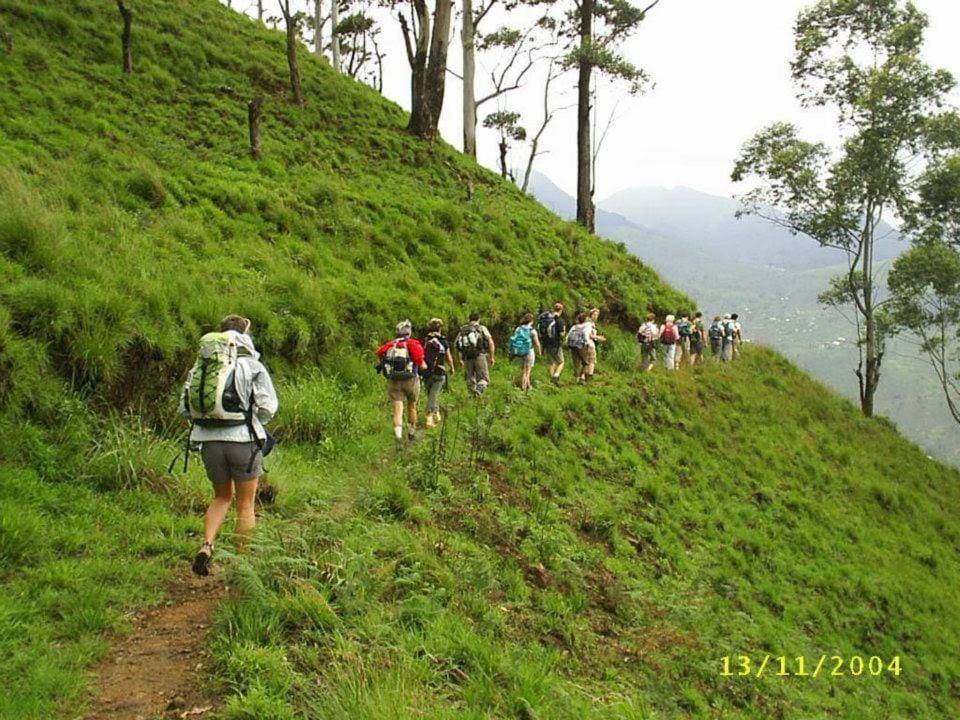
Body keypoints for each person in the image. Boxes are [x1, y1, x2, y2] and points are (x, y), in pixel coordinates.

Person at [180, 314, 278, 577]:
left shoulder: (201, 366)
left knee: (222, 496)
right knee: (245, 505)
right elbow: (269, 406)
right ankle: (241, 565)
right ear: (246, 334)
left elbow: (184, 408)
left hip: (208, 443)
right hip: (243, 443)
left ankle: (207, 545)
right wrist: (256, 420)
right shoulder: (251, 365)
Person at [376, 320, 427, 441]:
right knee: (412, 405)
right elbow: (421, 362)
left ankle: (398, 436)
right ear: (409, 332)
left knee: (397, 409)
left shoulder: (390, 345)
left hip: (394, 380)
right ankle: (411, 432)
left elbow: (379, 353)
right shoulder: (413, 344)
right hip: (411, 380)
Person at [422, 318, 455, 428]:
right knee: (434, 394)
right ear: (440, 328)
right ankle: (429, 417)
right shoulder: (443, 341)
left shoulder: (426, 340)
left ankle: (436, 414)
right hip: (439, 371)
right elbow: (448, 357)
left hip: (426, 371)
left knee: (431, 394)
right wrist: (452, 367)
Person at [456, 312, 495, 396]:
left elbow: (458, 345)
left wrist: (460, 359)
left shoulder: (463, 329)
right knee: (484, 379)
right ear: (479, 319)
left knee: (470, 379)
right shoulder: (481, 328)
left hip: (467, 356)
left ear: (469, 319)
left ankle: (472, 397)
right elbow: (491, 342)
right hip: (480, 355)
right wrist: (492, 357)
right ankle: (479, 391)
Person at [509, 312, 542, 390]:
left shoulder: (518, 328)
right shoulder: (532, 330)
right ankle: (523, 388)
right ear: (531, 321)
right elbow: (537, 342)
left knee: (524, 369)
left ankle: (528, 386)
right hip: (529, 351)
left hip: (519, 351)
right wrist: (539, 351)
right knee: (527, 371)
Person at [538, 303, 567, 385]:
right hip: (556, 343)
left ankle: (552, 382)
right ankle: (556, 376)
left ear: (553, 309)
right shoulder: (559, 320)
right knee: (561, 362)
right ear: (561, 310)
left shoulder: (546, 319)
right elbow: (562, 334)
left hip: (546, 343)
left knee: (551, 362)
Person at [580, 308, 606, 382]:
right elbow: (588, 335)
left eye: (597, 315)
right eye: (594, 314)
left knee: (586, 361)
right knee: (592, 361)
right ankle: (589, 378)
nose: (596, 316)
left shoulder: (590, 323)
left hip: (586, 344)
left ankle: (583, 377)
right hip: (589, 344)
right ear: (590, 315)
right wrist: (598, 337)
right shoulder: (589, 323)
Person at [567, 312, 589, 382]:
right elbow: (586, 336)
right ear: (585, 320)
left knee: (576, 362)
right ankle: (582, 377)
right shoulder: (585, 327)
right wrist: (587, 343)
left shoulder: (574, 327)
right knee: (585, 362)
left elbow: (569, 335)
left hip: (573, 345)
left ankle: (576, 378)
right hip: (581, 345)